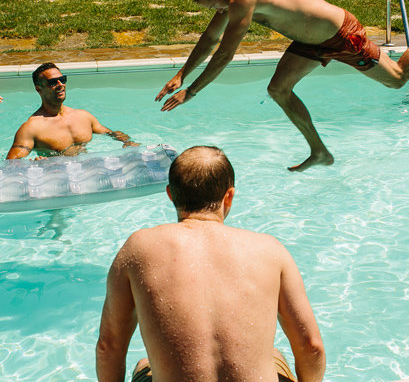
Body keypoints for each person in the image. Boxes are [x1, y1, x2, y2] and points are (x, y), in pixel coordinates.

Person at [156, 0, 409, 171]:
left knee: (399, 77)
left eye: (215, 7)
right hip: (309, 41)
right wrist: (182, 74)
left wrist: (192, 91)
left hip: (341, 35)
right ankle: (319, 152)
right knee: (278, 89)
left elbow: (224, 53)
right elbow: (210, 37)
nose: (218, 13)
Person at [96, 145, 326, 382]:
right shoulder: (269, 249)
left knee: (144, 365)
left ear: (171, 194)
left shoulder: (138, 248)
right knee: (274, 356)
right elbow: (311, 346)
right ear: (229, 196)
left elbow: (108, 346)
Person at [6, 63, 137, 159]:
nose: (60, 84)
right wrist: (37, 165)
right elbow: (11, 164)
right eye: (52, 82)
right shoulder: (31, 128)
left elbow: (111, 133)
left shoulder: (83, 116)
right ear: (39, 89)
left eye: (62, 80)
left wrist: (127, 142)